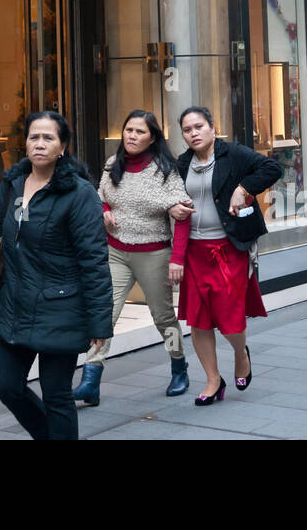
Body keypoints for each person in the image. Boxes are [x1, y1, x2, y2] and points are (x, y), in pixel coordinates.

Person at [0, 111, 112, 440]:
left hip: (61, 306)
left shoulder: (79, 194)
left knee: (57, 396)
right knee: (5, 385)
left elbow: (94, 260)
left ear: (62, 146)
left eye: (48, 138)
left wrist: (99, 323)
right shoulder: (12, 183)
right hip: (14, 302)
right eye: (34, 137)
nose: (39, 144)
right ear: (24, 144)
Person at [73, 110, 193, 405]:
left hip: (154, 254)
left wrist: (177, 259)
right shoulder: (113, 164)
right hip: (116, 252)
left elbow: (183, 214)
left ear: (152, 137)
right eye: (128, 130)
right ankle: (90, 380)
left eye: (140, 132)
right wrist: (104, 211)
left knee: (164, 317)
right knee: (104, 315)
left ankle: (179, 366)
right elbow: (99, 197)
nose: (132, 136)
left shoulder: (166, 168)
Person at [172, 106, 282, 405]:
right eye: (187, 129)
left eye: (198, 127)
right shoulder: (182, 164)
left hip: (228, 249)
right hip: (195, 250)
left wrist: (243, 188)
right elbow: (172, 201)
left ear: (212, 126)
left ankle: (239, 351)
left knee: (228, 316)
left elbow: (273, 169)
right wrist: (173, 212)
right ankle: (212, 379)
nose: (193, 133)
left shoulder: (233, 153)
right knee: (198, 320)